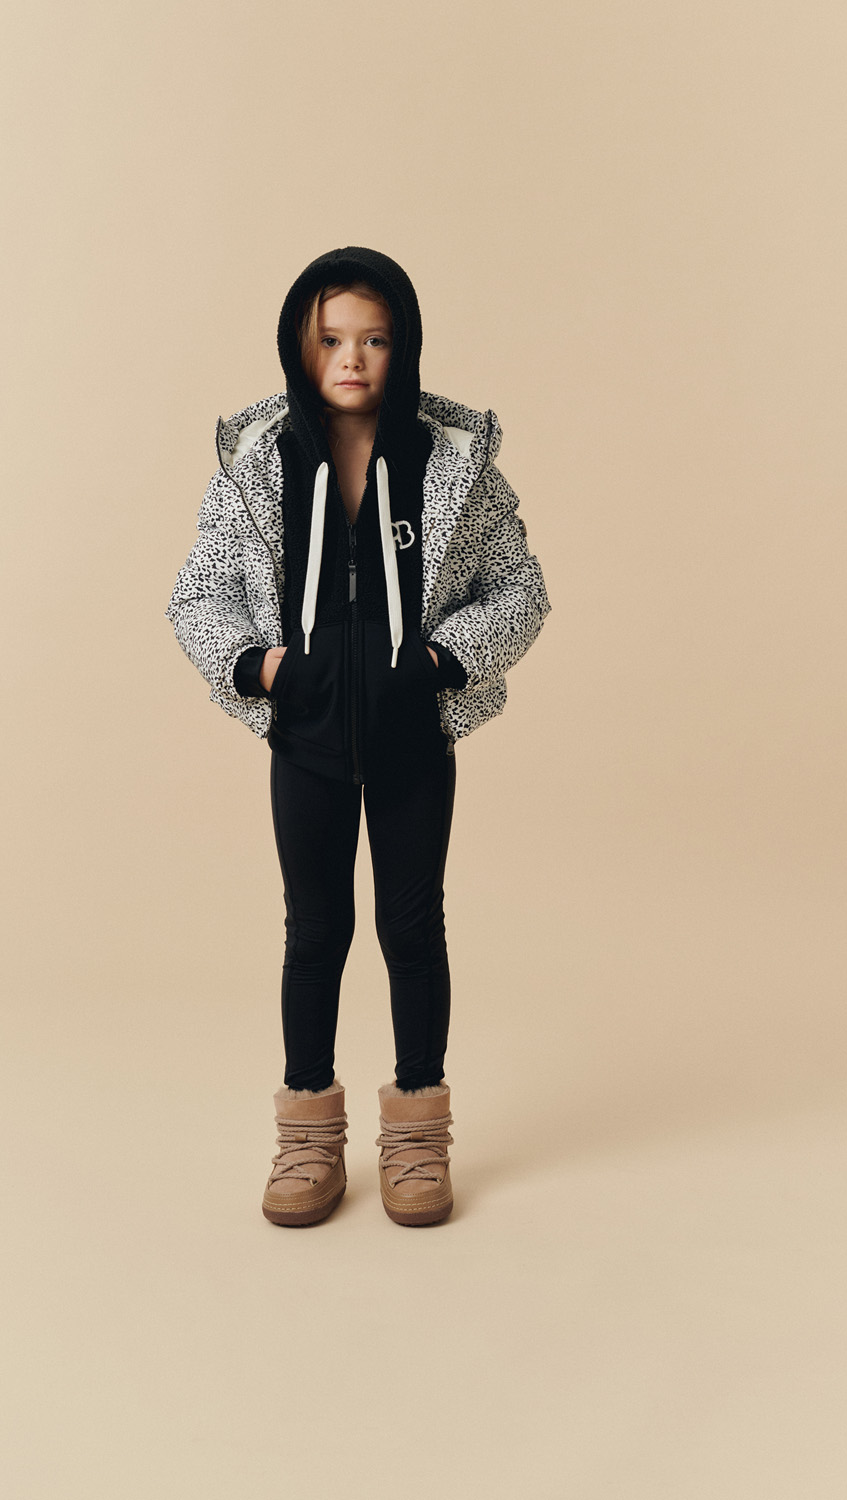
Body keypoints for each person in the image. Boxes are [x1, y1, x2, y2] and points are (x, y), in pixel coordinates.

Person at [165, 246, 550, 1227]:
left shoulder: (451, 459)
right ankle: (307, 1138)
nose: (352, 358)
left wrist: (440, 661)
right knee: (315, 931)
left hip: (411, 734)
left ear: (402, 346)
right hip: (306, 736)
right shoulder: (259, 460)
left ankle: (417, 1134)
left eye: (374, 339)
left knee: (411, 928)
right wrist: (265, 670)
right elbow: (197, 595)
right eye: (332, 338)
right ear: (300, 344)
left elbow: (521, 588)